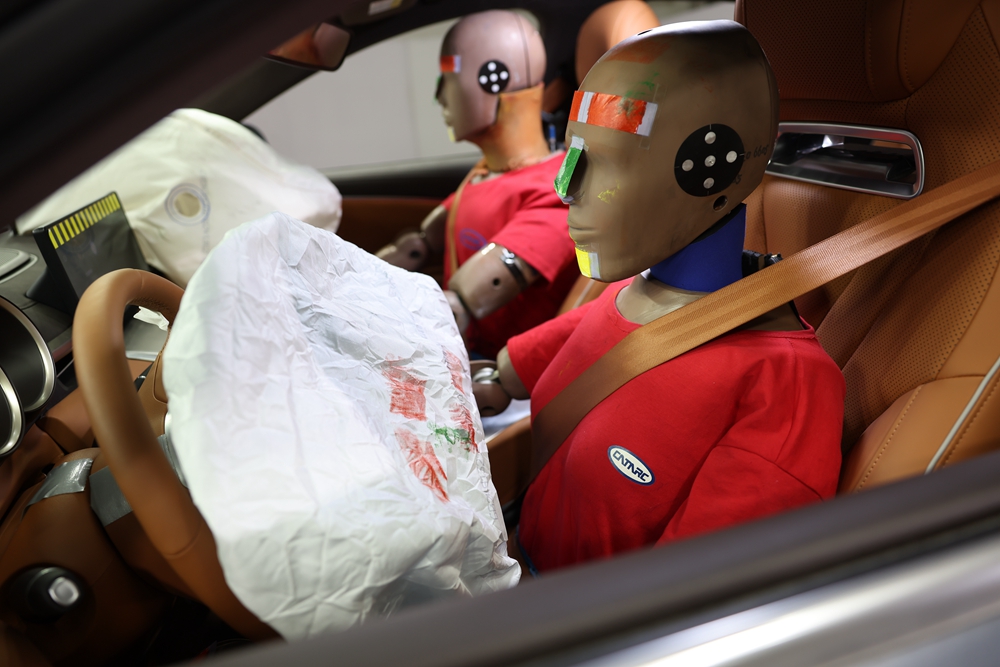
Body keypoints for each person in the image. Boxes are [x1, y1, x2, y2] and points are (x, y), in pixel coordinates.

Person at [474, 21, 845, 573]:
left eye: (605, 162)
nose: (565, 190)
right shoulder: (631, 295)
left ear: (710, 167)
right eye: (572, 155)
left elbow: (695, 593)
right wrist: (496, 377)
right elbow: (570, 346)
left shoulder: (783, 385)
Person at [377, 11, 578, 359]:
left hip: (497, 374)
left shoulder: (556, 190)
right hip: (455, 351)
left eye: (449, 77)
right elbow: (418, 245)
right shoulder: (484, 173)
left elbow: (462, 304)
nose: (440, 97)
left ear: (493, 80)